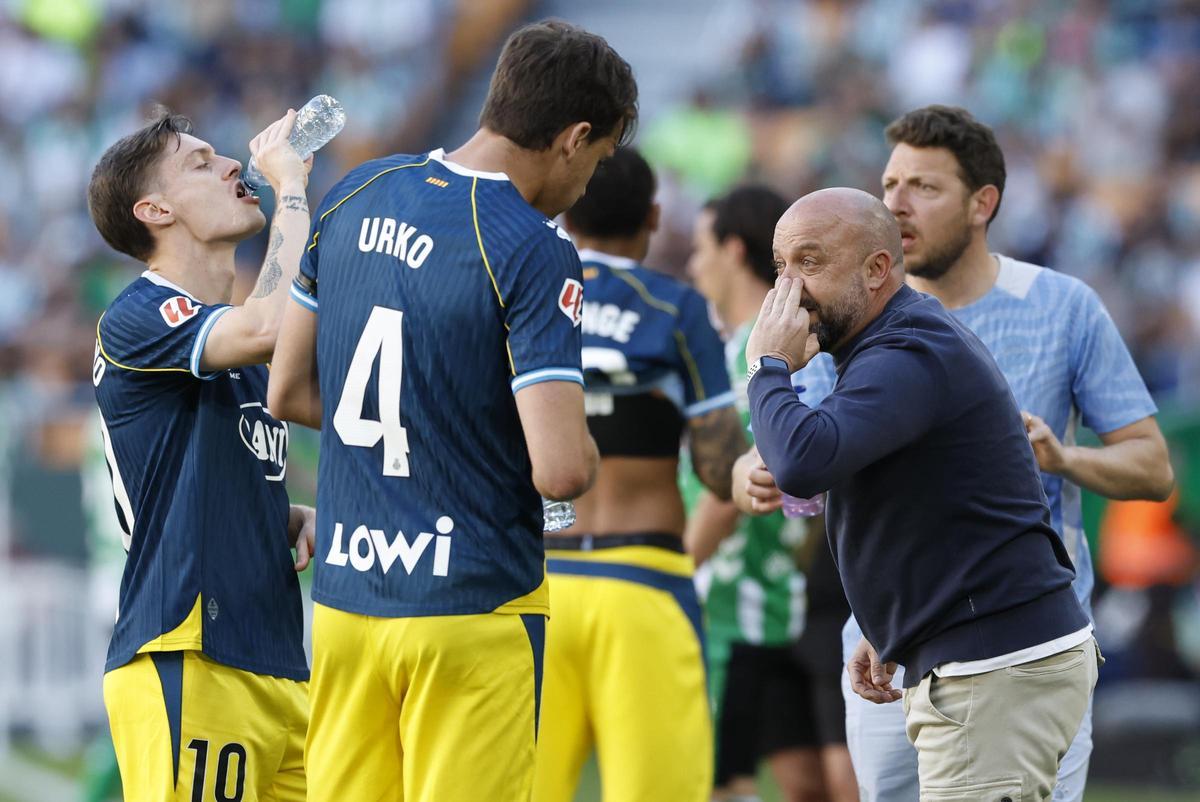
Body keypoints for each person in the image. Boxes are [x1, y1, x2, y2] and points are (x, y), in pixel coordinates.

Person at [733, 106, 1175, 802]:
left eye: (808, 264)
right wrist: (896, 621)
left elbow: (803, 458)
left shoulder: (925, 342)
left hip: (997, 653)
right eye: (781, 266)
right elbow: (823, 471)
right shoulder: (878, 336)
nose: (786, 291)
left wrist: (766, 367)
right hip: (930, 640)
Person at [266, 21, 637, 802]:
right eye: (598, 160)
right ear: (574, 138)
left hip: (346, 599)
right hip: (472, 604)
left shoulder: (358, 189)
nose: (587, 185)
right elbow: (561, 469)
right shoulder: (532, 245)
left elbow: (288, 392)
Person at [87, 108, 316, 801]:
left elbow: (191, 477)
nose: (231, 167)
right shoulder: (139, 313)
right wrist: (294, 190)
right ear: (154, 209)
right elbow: (270, 324)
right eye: (200, 161)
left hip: (276, 662)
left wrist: (278, 513)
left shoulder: (235, 349)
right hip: (188, 653)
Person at [530, 147, 743, 802]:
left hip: (529, 589)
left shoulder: (520, 295)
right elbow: (721, 473)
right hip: (641, 587)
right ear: (653, 214)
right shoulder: (676, 309)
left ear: (566, 211)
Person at [684, 185, 856, 802]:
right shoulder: (744, 350)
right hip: (772, 604)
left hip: (756, 605)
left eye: (700, 248)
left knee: (727, 784)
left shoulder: (772, 357)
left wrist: (679, 573)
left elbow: (763, 476)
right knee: (798, 782)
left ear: (732, 250)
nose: (690, 264)